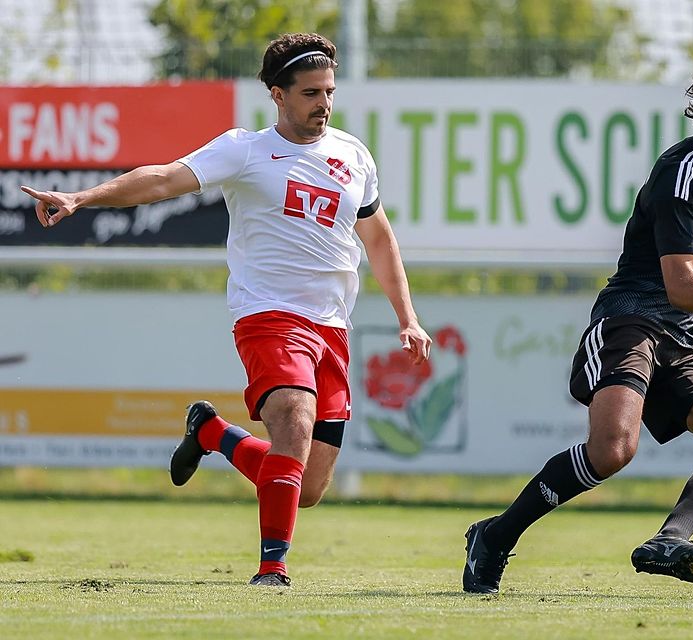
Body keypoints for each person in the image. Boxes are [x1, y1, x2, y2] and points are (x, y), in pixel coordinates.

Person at [22, 33, 432, 588]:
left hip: (332, 326)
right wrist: (81, 198)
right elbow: (164, 178)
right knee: (293, 415)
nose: (324, 103)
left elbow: (378, 240)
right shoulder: (245, 149)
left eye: (329, 91)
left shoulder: (353, 155)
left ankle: (213, 432)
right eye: (310, 92)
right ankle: (272, 570)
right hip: (269, 315)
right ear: (277, 94)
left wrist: (407, 316)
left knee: (306, 488)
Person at [462, 41, 693, 594]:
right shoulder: (682, 171)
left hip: (679, 336)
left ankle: (669, 540)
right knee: (612, 451)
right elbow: (680, 284)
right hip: (630, 319)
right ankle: (495, 538)